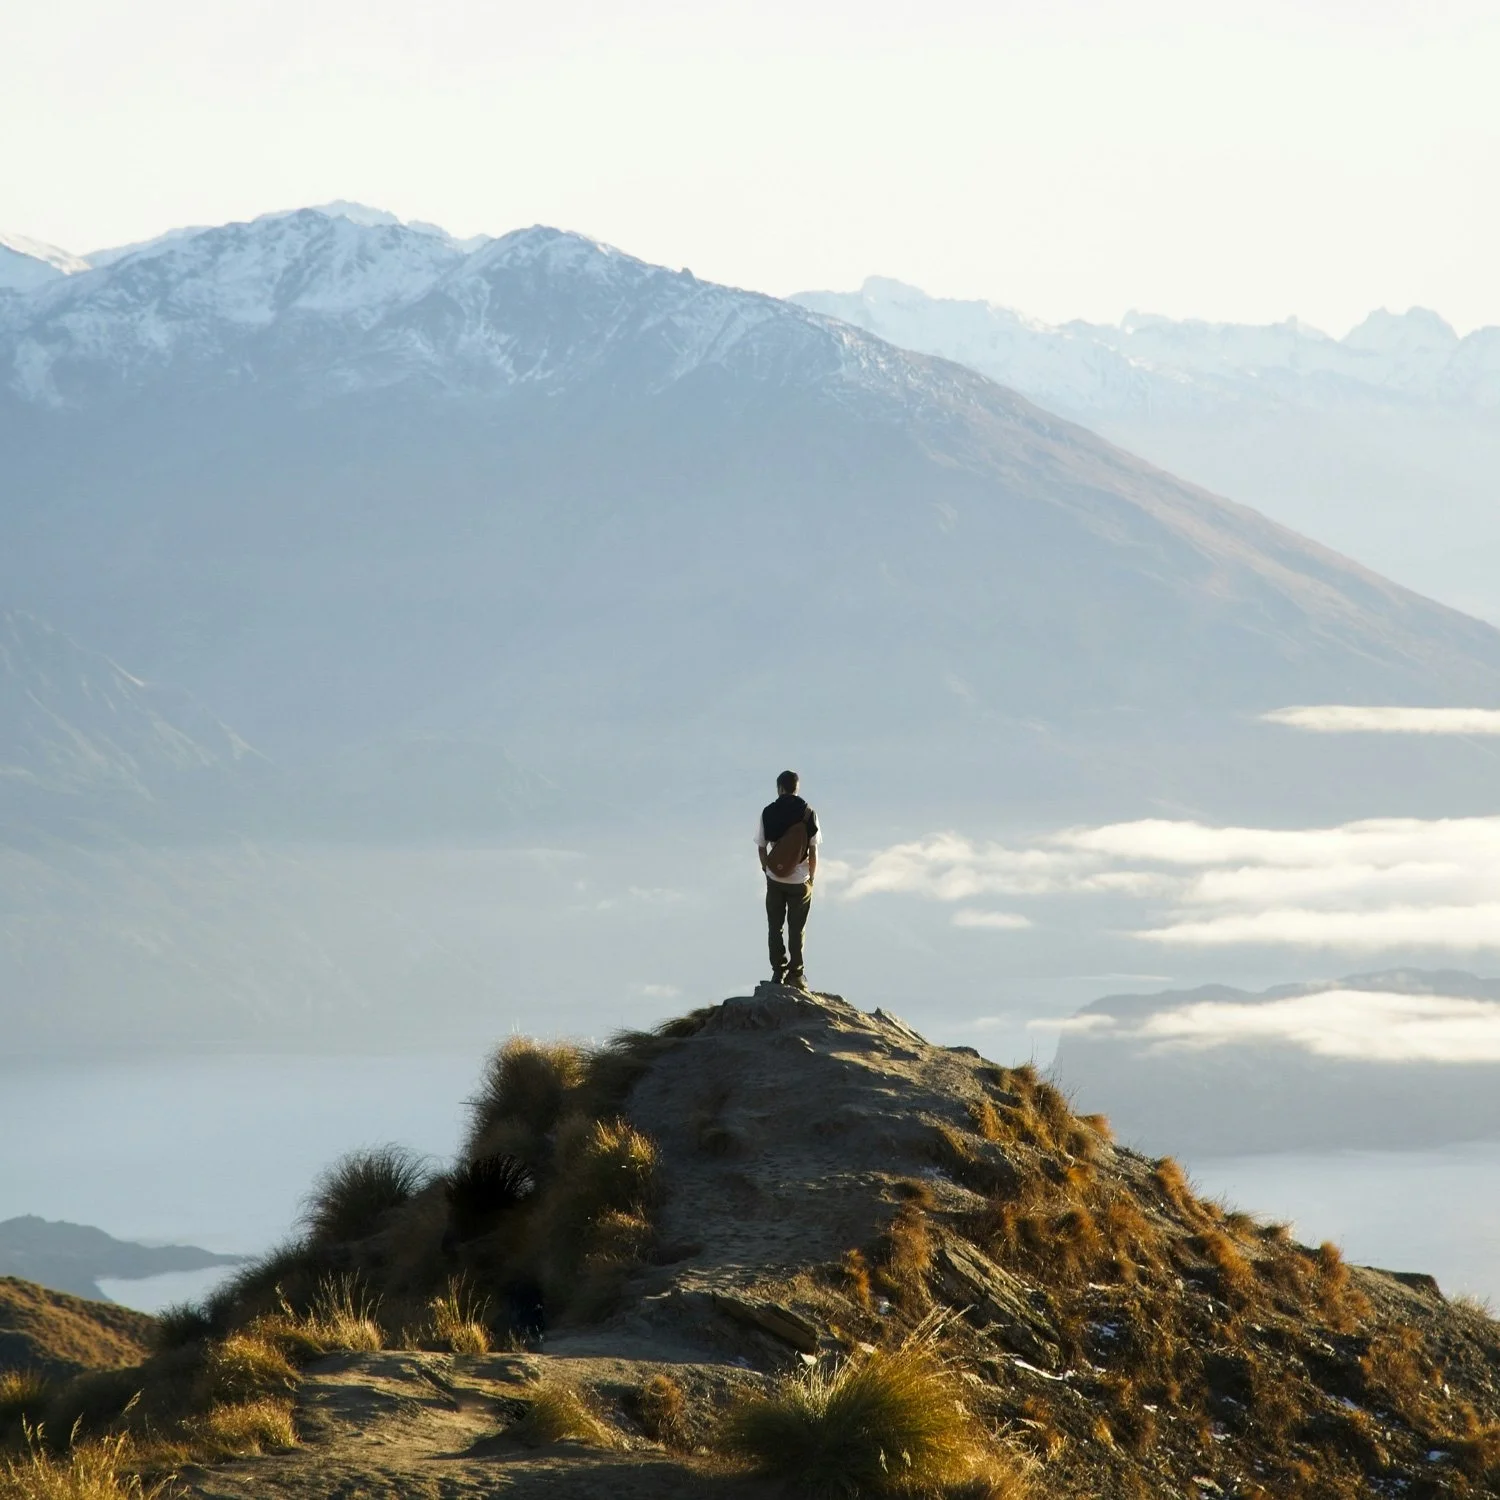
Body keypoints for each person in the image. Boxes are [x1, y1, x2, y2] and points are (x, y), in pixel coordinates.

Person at [755, 770, 820, 990]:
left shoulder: (768, 812)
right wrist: (811, 877)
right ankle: (796, 974)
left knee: (775, 927)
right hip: (800, 881)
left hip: (775, 879)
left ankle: (777, 972)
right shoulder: (808, 813)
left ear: (780, 788)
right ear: (796, 788)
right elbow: (813, 850)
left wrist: (767, 870)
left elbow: (761, 847)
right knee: (797, 929)